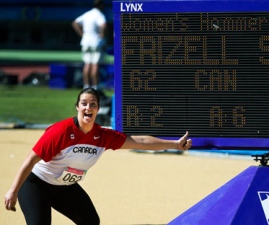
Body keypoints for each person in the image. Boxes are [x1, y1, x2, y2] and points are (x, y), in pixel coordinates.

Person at [4, 88, 192, 225]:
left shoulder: (102, 136)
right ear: (77, 107)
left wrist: (175, 144)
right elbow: (31, 159)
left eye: (92, 104)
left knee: (91, 221)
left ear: (97, 109)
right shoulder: (61, 131)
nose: (88, 107)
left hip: (64, 187)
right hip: (36, 186)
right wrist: (13, 190)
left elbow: (140, 141)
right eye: (84, 103)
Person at [72, 0, 107, 90]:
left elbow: (75, 23)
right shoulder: (99, 15)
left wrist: (82, 34)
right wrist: (102, 34)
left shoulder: (87, 14)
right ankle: (95, 86)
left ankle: (86, 85)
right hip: (95, 42)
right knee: (95, 64)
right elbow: (103, 24)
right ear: (101, 5)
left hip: (86, 42)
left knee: (87, 64)